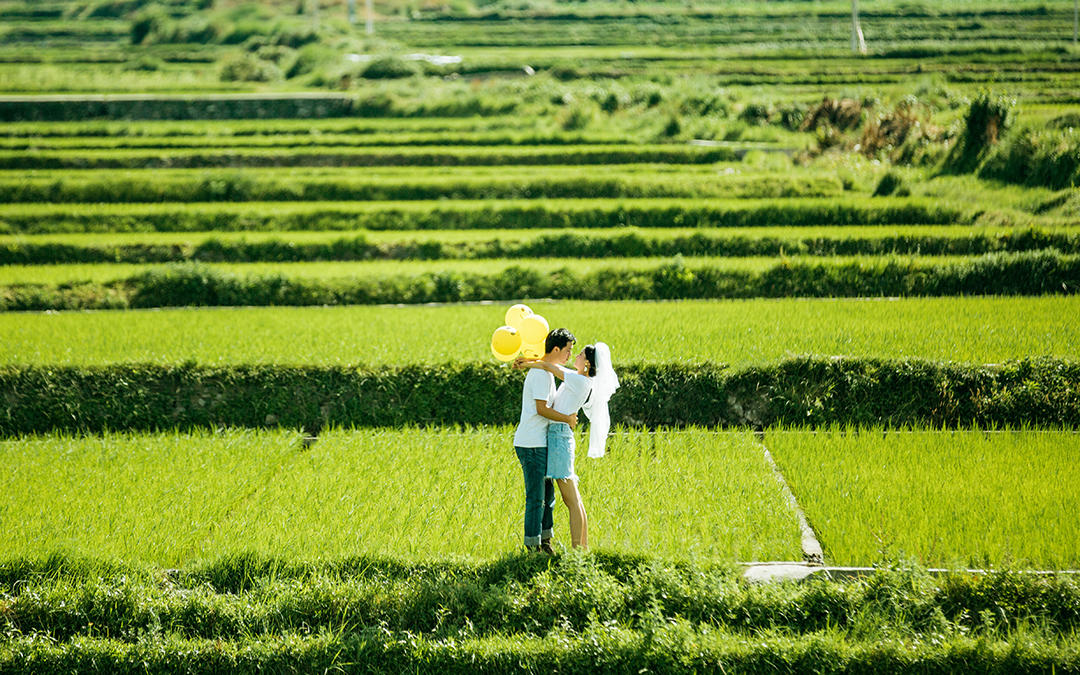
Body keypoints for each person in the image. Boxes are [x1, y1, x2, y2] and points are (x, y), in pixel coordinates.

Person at [514, 342, 619, 550]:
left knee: (571, 499)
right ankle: (582, 548)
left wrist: (527, 364)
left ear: (587, 363)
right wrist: (529, 362)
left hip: (559, 438)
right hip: (558, 436)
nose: (575, 356)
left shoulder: (581, 381)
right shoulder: (580, 379)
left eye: (579, 354)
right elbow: (553, 367)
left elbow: (552, 368)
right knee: (574, 498)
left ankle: (577, 550)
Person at [512, 328, 577, 554]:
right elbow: (542, 409)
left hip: (542, 442)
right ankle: (532, 548)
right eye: (568, 351)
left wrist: (528, 361)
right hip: (531, 444)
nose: (569, 355)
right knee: (536, 498)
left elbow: (565, 371)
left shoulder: (546, 370)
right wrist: (567, 418)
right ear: (556, 349)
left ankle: (545, 542)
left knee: (548, 497)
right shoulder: (540, 374)